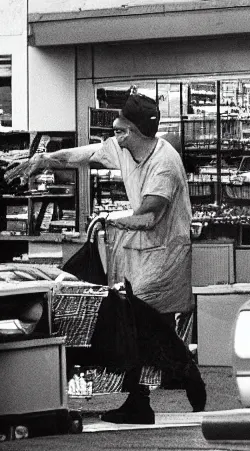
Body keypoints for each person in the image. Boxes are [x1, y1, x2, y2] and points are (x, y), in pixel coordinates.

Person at [15, 92, 206, 423]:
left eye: (119, 129)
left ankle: (158, 388)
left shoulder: (164, 166)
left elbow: (148, 218)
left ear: (130, 132)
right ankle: (170, 379)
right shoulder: (127, 147)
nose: (113, 135)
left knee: (135, 323)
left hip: (166, 256)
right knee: (143, 324)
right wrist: (45, 159)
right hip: (140, 252)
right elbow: (87, 154)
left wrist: (108, 218)